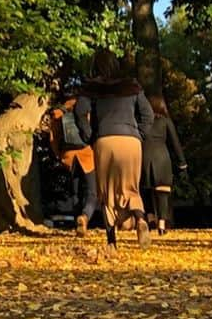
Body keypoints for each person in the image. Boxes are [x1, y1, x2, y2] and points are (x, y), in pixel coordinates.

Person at [75, 49, 155, 248]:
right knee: (131, 188)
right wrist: (139, 135)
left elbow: (79, 112)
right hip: (131, 142)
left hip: (105, 141)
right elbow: (148, 115)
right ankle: (140, 220)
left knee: (106, 191)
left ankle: (112, 242)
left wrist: (89, 136)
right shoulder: (132, 86)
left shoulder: (91, 88)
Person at [47, 96, 98, 234]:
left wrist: (59, 155)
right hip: (87, 154)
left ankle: (77, 222)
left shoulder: (58, 113)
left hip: (68, 156)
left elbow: (53, 139)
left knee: (75, 191)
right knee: (92, 191)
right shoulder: (85, 110)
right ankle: (85, 216)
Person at [142, 96, 188, 235]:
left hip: (144, 157)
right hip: (161, 158)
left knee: (145, 190)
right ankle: (161, 225)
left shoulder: (143, 122)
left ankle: (150, 220)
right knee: (162, 192)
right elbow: (175, 143)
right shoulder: (165, 122)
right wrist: (182, 164)